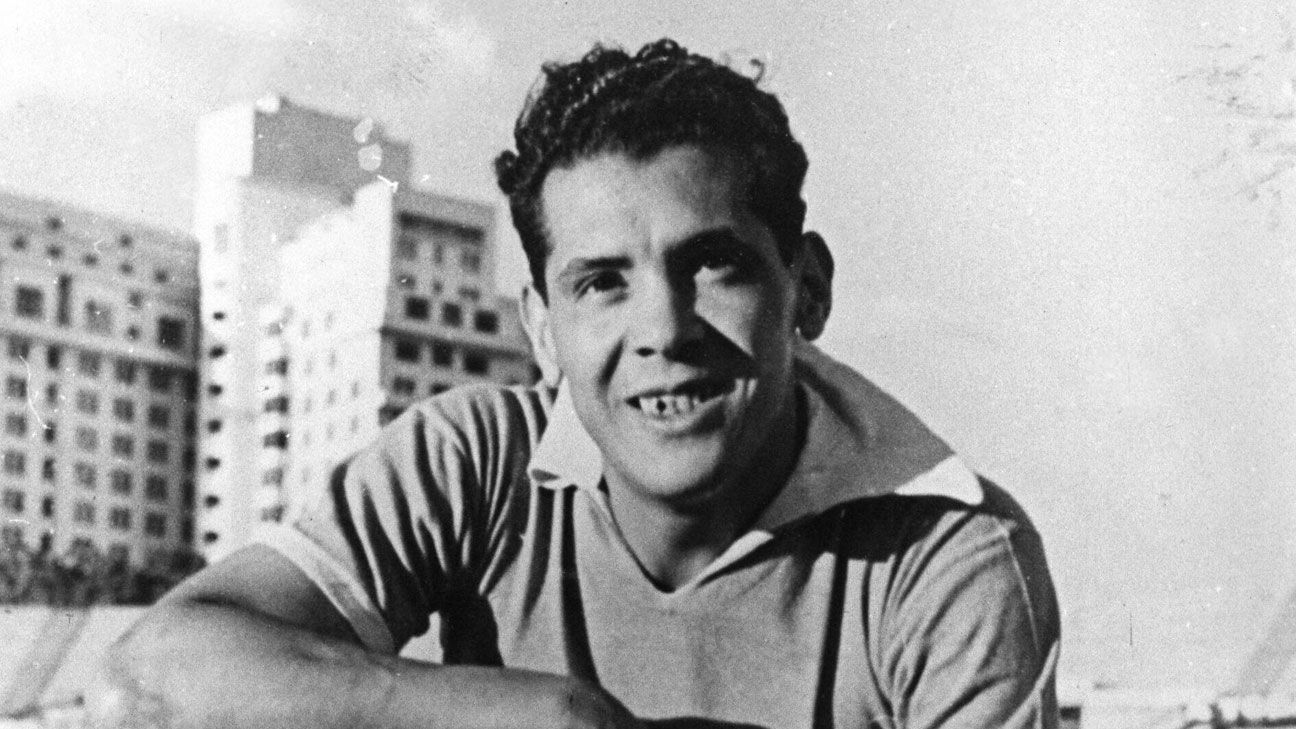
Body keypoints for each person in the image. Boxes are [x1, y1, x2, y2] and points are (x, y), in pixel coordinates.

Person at [93, 39, 1059, 729]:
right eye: (602, 283)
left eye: (712, 265)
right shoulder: (474, 462)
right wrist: (541, 714)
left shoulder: (949, 557)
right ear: (541, 328)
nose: (664, 331)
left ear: (806, 288)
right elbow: (150, 680)